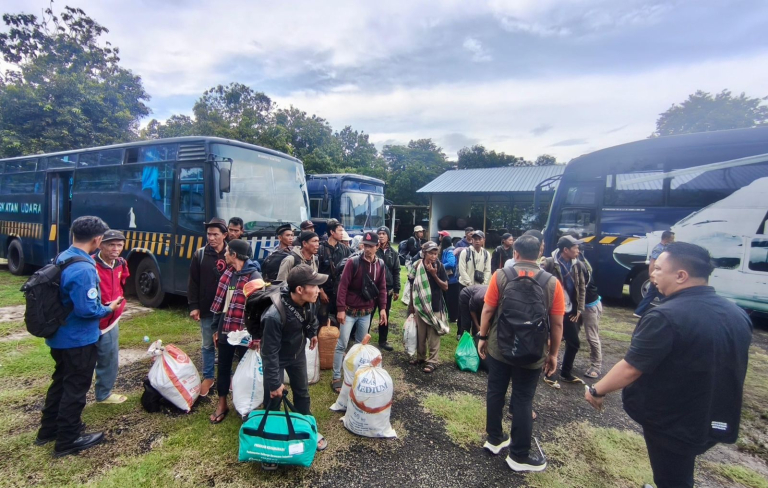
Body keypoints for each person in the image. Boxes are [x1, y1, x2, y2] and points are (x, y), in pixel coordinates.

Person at [584, 242, 752, 488]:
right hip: (714, 412)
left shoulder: (665, 316)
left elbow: (631, 367)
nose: (653, 274)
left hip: (673, 419)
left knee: (672, 477)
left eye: (659, 269)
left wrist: (597, 390)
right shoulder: (737, 314)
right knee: (679, 468)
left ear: (681, 275)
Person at [477, 235, 565, 472]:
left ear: (515, 253)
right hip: (533, 351)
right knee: (523, 399)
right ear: (539, 253)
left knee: (495, 391)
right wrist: (553, 354)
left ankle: (494, 439)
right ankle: (518, 455)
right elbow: (557, 324)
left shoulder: (501, 276)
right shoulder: (552, 283)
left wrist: (483, 337)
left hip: (499, 346)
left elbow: (488, 309)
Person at [36, 216, 123, 457]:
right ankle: (68, 438)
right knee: (75, 388)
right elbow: (87, 310)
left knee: (60, 383)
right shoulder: (85, 268)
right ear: (97, 240)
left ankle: (48, 430)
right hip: (78, 339)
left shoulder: (63, 257)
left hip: (59, 336)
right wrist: (109, 308)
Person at [261, 265, 329, 470]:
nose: (318, 290)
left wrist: (312, 333)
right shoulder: (274, 315)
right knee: (273, 400)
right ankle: (269, 443)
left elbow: (310, 320)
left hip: (297, 354)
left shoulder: (309, 302)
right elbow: (269, 353)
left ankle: (306, 429)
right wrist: (274, 383)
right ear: (299, 289)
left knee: (303, 394)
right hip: (277, 359)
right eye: (314, 286)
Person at [208, 239, 262, 424]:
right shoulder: (228, 274)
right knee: (223, 366)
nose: (224, 254)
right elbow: (221, 304)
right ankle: (222, 403)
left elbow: (259, 312)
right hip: (226, 329)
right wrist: (216, 328)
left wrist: (257, 337)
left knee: (245, 369)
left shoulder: (254, 277)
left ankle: (246, 405)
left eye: (227, 251)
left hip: (246, 332)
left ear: (235, 255)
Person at [332, 232, 388, 393]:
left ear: (378, 247)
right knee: (342, 344)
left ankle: (355, 375)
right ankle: (336, 377)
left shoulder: (380, 265)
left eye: (371, 246)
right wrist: (341, 309)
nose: (367, 249)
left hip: (366, 312)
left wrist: (383, 308)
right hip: (349, 311)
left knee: (360, 345)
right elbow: (343, 286)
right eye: (365, 245)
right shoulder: (353, 262)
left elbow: (382, 288)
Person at [188, 217, 229, 397]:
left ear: (225, 235)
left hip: (227, 309)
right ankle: (208, 376)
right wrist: (194, 306)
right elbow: (193, 282)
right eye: (209, 234)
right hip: (207, 307)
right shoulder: (200, 254)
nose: (211, 238)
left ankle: (227, 376)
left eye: (215, 234)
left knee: (226, 343)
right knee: (207, 344)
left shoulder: (232, 253)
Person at [541, 235, 586, 388]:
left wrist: (579, 308)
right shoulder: (548, 263)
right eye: (575, 248)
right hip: (552, 310)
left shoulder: (578, 265)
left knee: (574, 343)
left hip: (569, 310)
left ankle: (566, 373)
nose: (578, 251)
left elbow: (581, 287)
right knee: (551, 341)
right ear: (565, 250)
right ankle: (548, 373)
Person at [92, 230, 130, 404]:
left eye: (119, 245)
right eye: (111, 245)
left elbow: (123, 283)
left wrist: (120, 303)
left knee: (109, 358)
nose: (116, 249)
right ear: (100, 245)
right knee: (84, 363)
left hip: (111, 321)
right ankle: (75, 398)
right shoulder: (90, 265)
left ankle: (103, 394)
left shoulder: (121, 263)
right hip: (91, 321)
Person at [407, 241, 449, 374]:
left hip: (434, 305)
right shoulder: (417, 265)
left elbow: (445, 287)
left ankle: (432, 361)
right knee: (421, 334)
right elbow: (413, 285)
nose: (433, 256)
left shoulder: (439, 266)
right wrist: (412, 305)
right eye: (431, 253)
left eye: (435, 253)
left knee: (434, 334)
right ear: (424, 253)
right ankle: (420, 358)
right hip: (420, 305)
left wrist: (434, 274)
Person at [317, 219, 352, 329]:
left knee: (339, 320)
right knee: (322, 319)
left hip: (339, 291)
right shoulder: (320, 249)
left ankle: (334, 343)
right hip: (324, 291)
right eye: (340, 230)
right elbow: (315, 271)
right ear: (332, 232)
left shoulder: (345, 250)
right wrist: (320, 290)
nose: (342, 233)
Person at [634, 230, 675, 317]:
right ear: (667, 239)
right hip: (656, 277)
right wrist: (652, 276)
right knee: (663, 296)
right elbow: (652, 264)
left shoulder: (663, 248)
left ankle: (638, 311)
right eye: (672, 239)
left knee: (651, 295)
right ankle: (668, 312)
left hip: (656, 277)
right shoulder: (658, 249)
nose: (673, 241)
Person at [373, 226, 400, 351]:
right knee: (368, 313)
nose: (381, 236)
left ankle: (383, 340)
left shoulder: (393, 252)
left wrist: (397, 289)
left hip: (387, 289)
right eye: (379, 233)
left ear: (388, 236)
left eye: (384, 233)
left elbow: (396, 271)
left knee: (385, 314)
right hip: (372, 288)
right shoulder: (373, 249)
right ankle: (361, 337)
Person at [579, 244, 602, 379]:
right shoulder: (565, 261)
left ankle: (596, 365)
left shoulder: (582, 265)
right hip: (576, 305)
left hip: (590, 305)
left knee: (592, 336)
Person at [440, 235, 459, 323]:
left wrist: (441, 266)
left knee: (452, 299)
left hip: (452, 279)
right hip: (450, 279)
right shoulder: (450, 250)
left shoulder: (450, 251)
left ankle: (453, 317)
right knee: (449, 299)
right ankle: (451, 316)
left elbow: (451, 263)